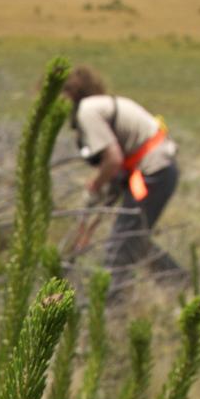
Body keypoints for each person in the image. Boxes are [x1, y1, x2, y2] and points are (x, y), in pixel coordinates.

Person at [62, 65, 185, 293]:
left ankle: (112, 310)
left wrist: (95, 186)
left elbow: (113, 159)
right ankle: (179, 282)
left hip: (153, 171)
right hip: (157, 169)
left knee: (121, 244)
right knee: (134, 237)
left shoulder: (87, 110)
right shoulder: (101, 104)